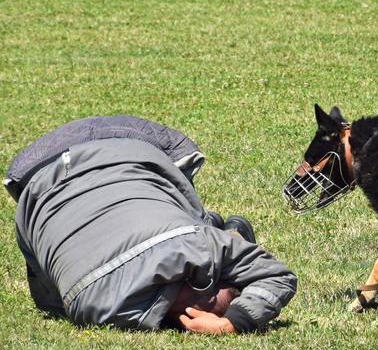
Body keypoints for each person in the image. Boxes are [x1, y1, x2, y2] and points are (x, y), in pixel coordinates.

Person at [4, 115, 297, 334]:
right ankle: (210, 223)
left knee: (185, 201)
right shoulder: (94, 308)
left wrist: (232, 321)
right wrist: (234, 323)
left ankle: (213, 223)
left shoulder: (198, 247)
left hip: (96, 150)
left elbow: (278, 277)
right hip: (38, 176)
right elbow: (50, 295)